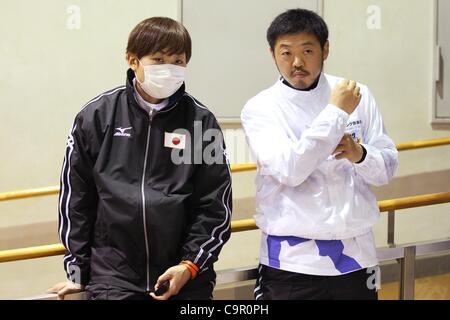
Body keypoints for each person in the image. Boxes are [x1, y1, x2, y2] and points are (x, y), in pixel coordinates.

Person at [48, 17, 232, 300]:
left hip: (184, 279)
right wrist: (77, 272)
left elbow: (214, 204)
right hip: (114, 279)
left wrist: (190, 264)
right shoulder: (97, 116)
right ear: (133, 60)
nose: (169, 69)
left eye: (178, 61)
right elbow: (76, 199)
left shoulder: (200, 122)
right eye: (158, 59)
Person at [241, 9, 398, 300]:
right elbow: (290, 170)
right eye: (286, 53)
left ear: (326, 49)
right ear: (272, 53)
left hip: (357, 258)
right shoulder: (261, 107)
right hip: (292, 262)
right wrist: (336, 112)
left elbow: (387, 168)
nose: (297, 63)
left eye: (308, 51)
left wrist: (359, 154)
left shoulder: (357, 94)